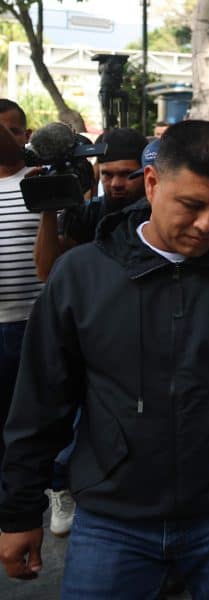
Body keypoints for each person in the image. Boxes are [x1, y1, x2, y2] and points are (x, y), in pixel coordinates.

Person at [0, 120, 209, 597]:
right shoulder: (81, 275)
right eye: (191, 205)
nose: (206, 225)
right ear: (152, 184)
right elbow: (39, 405)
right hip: (111, 521)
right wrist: (18, 512)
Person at [34, 127, 148, 281]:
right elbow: (47, 271)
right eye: (107, 174)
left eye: (126, 174)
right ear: (98, 171)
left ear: (147, 173)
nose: (115, 184)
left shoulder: (158, 213)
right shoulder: (87, 213)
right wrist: (48, 207)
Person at [0, 99, 36, 472]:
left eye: (11, 130)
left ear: (26, 135)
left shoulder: (40, 181)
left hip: (31, 322)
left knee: (28, 417)